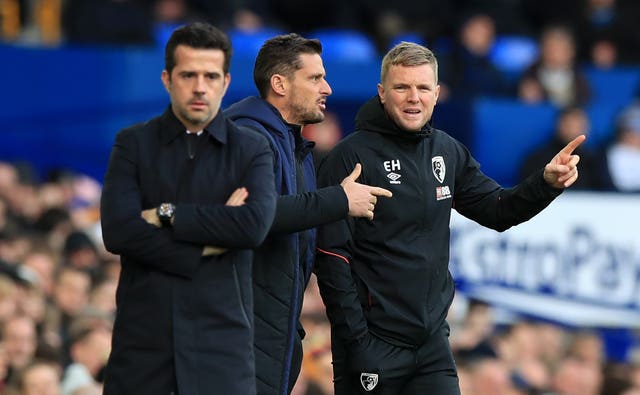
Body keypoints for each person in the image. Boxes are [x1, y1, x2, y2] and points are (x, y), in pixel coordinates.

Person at [314, 41, 585, 395]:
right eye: (402, 87)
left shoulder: (447, 151)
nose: (414, 97)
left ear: (437, 93)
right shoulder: (350, 157)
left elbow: (499, 209)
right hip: (372, 343)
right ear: (382, 92)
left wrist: (545, 183)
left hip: (431, 345)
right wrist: (356, 342)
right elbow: (331, 257)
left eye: (423, 88)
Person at [99, 22, 277, 395]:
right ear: (167, 79)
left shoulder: (251, 149)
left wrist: (167, 215)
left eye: (211, 76)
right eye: (188, 75)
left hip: (222, 348)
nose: (200, 87)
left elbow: (251, 226)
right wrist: (208, 243)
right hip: (142, 348)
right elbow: (119, 231)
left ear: (226, 82)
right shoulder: (133, 144)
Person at [224, 33, 392, 395]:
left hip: (272, 336)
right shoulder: (247, 137)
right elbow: (257, 214)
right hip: (235, 336)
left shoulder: (295, 149)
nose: (327, 88)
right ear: (279, 84)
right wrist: (339, 200)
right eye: (315, 78)